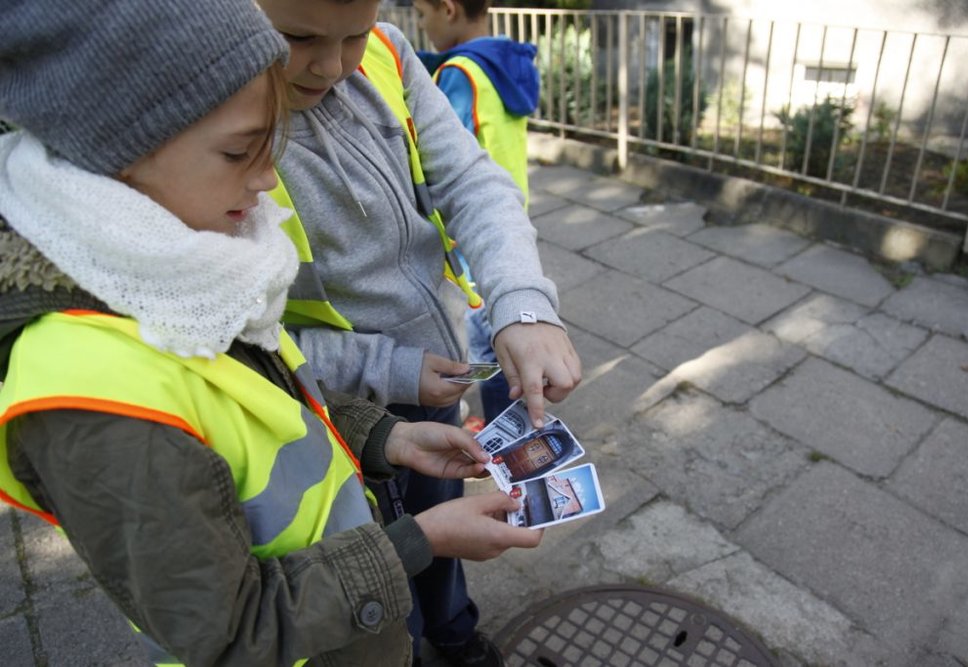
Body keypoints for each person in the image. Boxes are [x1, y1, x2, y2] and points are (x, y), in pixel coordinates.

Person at [0, 1, 542, 665]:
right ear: (112, 150)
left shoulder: (187, 269)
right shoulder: (93, 401)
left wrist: (384, 436)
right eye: (240, 152)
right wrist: (416, 541)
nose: (267, 179)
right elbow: (230, 631)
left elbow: (268, 397)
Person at [254, 0, 582, 663]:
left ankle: (453, 631)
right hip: (327, 408)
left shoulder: (387, 51)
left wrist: (522, 301)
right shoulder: (220, 126)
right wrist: (390, 369)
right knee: (371, 558)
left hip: (435, 374)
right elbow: (245, 342)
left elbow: (472, 180)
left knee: (443, 517)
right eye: (298, 37)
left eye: (353, 33)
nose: (334, 65)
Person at [413, 0, 540, 424]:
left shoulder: (458, 74)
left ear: (448, 9)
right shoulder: (505, 61)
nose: (421, 24)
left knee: (488, 348)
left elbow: (441, 162)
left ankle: (510, 434)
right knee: (503, 341)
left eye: (422, 13)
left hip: (469, 241)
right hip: (509, 216)